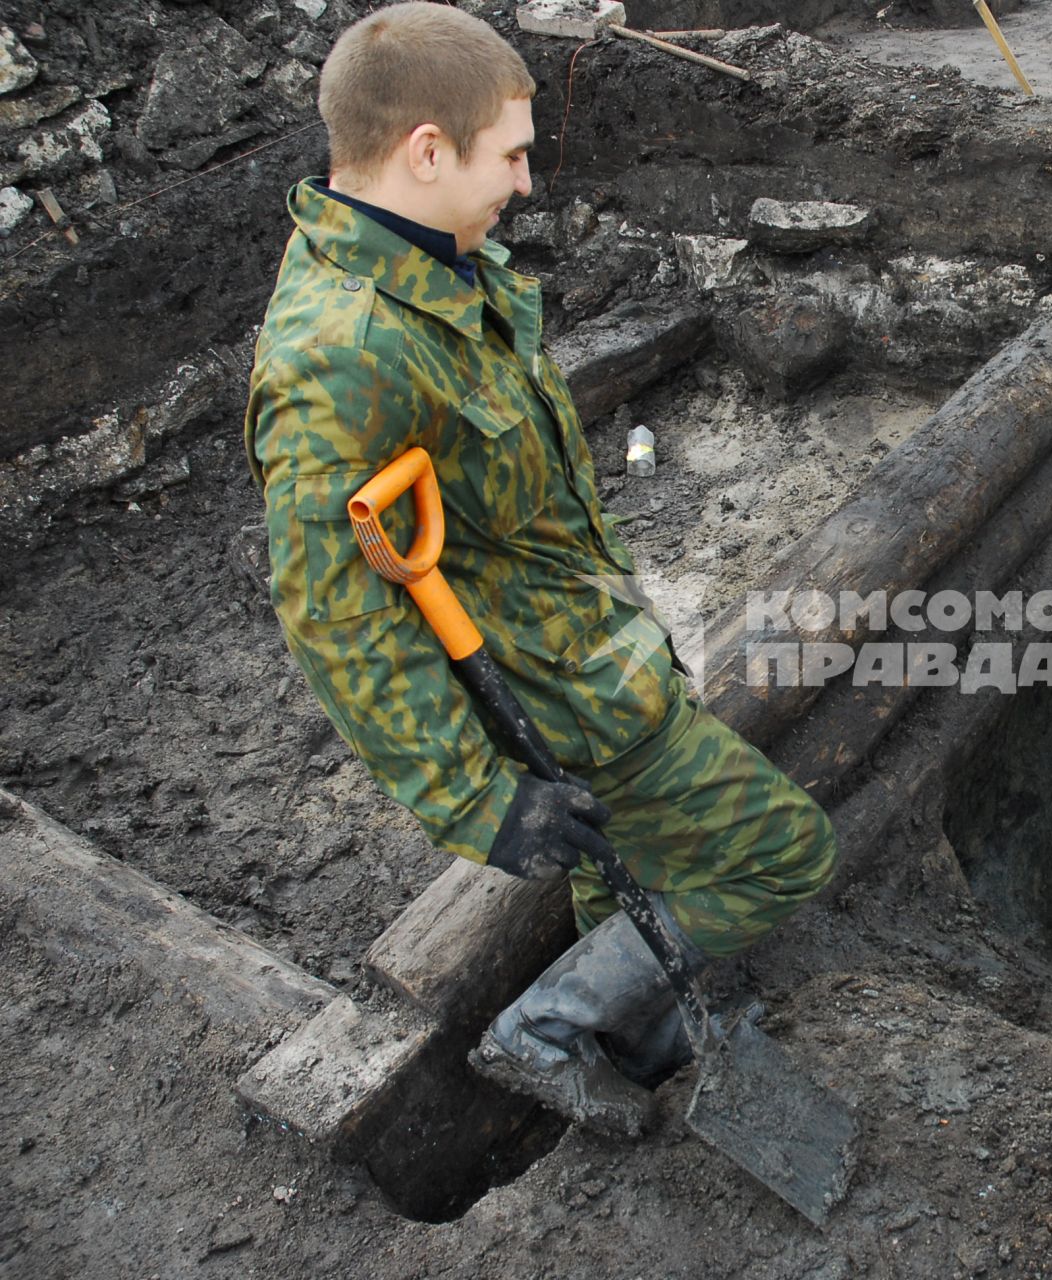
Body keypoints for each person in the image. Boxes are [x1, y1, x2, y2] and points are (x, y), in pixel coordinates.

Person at [244, 3, 836, 1135]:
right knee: (786, 849)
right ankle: (546, 1028)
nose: (523, 181)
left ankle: (644, 1027)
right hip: (566, 701)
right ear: (428, 148)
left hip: (592, 646)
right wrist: (474, 790)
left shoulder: (442, 265)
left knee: (608, 871)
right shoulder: (342, 353)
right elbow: (334, 616)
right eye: (510, 153)